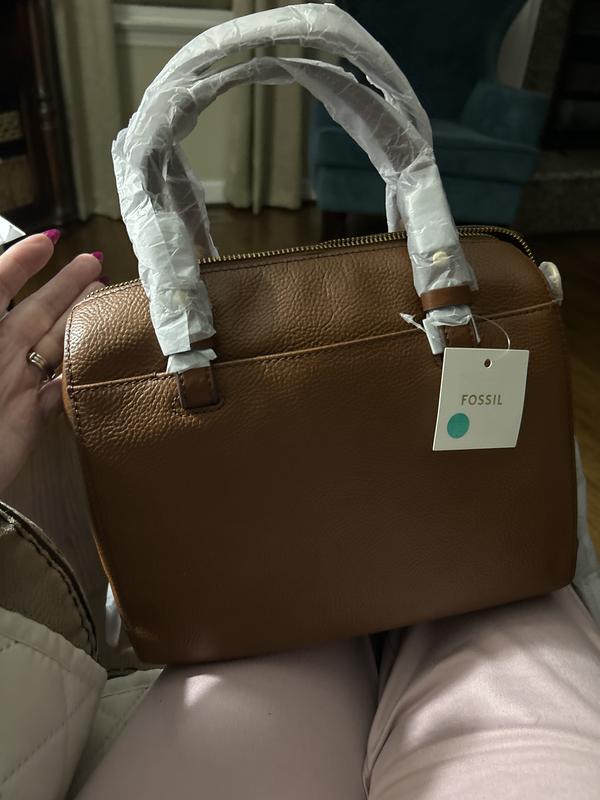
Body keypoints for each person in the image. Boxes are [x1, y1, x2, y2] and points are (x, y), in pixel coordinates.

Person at [1, 232, 599, 800]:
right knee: (507, 625)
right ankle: (410, 566)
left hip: (242, 630)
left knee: (280, 625)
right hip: (460, 557)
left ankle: (364, 573)